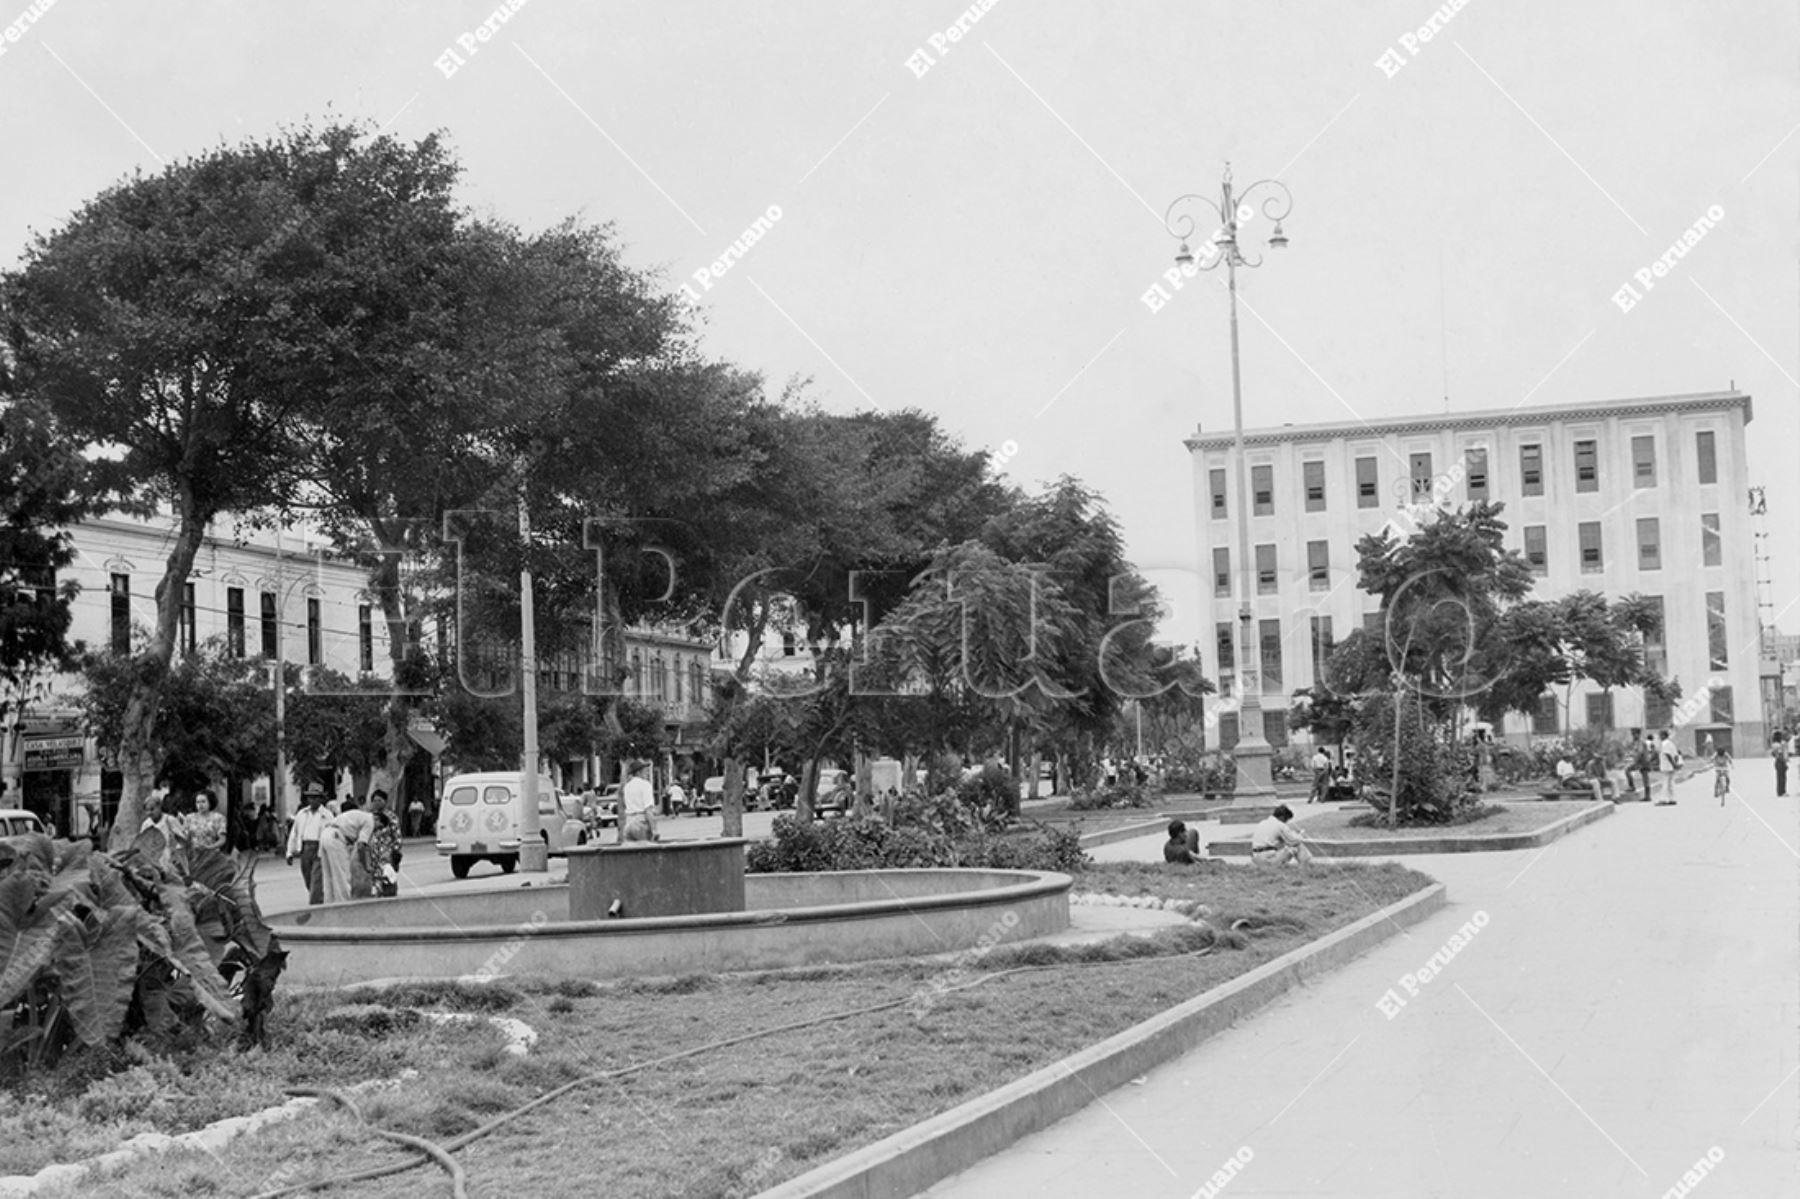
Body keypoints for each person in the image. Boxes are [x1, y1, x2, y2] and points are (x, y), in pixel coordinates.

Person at [319, 794, 376, 903]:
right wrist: (366, 866)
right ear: (378, 820)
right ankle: (344, 906)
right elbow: (361, 846)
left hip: (326, 834)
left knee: (329, 877)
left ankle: (329, 905)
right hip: (336, 837)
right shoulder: (371, 821)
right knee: (342, 876)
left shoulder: (359, 815)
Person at [285, 784, 332, 904]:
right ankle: (317, 897)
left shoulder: (327, 815)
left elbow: (331, 833)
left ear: (321, 799)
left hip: (319, 849)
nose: (313, 800)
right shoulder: (302, 814)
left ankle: (316, 902)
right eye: (311, 797)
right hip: (305, 849)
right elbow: (294, 834)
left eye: (316, 797)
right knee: (308, 878)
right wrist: (289, 852)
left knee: (317, 879)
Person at [139, 789, 186, 871]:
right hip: (154, 858)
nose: (150, 812)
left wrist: (176, 852)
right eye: (147, 810)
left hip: (171, 857)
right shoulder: (146, 824)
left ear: (159, 807)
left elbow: (182, 839)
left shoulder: (169, 820)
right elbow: (142, 842)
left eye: (152, 809)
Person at [367, 790, 403, 897]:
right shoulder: (369, 817)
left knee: (387, 876)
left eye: (379, 800)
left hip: (386, 853)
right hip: (373, 854)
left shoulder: (391, 817)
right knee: (374, 878)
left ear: (385, 801)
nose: (376, 803)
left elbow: (397, 837)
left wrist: (396, 853)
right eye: (374, 800)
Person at [620, 760, 657, 843]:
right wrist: (654, 829)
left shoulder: (627, 787)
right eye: (645, 771)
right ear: (639, 772)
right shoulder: (645, 785)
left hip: (629, 822)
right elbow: (648, 810)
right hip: (641, 822)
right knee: (645, 853)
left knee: (631, 852)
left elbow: (624, 804)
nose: (647, 773)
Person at [1654, 729, 1681, 806]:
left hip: (1666, 766)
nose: (1659, 737)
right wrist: (1675, 764)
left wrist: (1673, 764)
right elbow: (1675, 755)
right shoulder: (1671, 744)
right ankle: (1672, 799)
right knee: (1671, 783)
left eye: (1660, 735)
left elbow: (1667, 755)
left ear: (1663, 736)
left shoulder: (1664, 744)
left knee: (1665, 783)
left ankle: (1664, 799)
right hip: (1671, 767)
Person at [1773, 732, 1789, 798]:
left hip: (1780, 761)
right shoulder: (1777, 745)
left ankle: (1783, 791)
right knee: (1781, 778)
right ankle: (1781, 792)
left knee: (1783, 777)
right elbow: (1779, 755)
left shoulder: (1778, 744)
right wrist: (1784, 762)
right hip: (1780, 762)